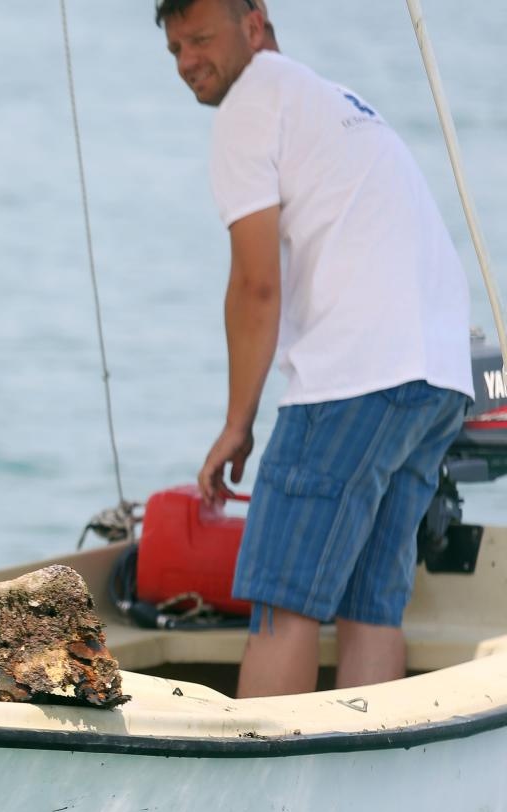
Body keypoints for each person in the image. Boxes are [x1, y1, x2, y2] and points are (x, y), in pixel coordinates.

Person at [156, 0, 474, 697]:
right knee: (372, 605)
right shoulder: (334, 98)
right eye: (174, 47)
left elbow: (255, 287)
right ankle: (370, 793)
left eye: (201, 38)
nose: (186, 62)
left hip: (355, 380)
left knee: (282, 599)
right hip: (440, 378)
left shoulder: (252, 104)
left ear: (255, 21)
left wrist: (236, 423)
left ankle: (255, 797)